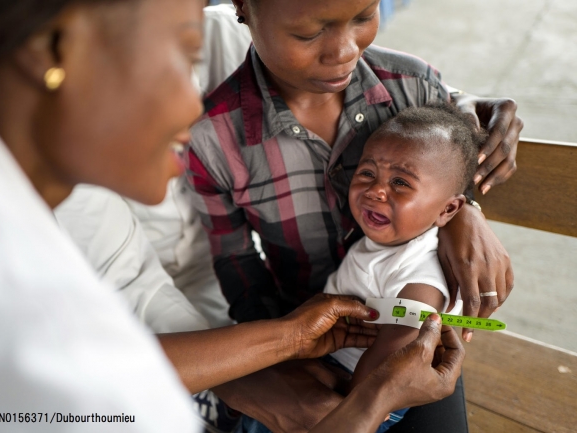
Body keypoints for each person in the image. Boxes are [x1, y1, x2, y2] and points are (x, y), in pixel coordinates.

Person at [0, 1, 465, 432]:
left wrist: (463, 208)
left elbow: (434, 121)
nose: (197, 102)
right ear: (56, 48)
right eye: (182, 56)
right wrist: (368, 403)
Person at [185, 0, 521, 431]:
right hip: (298, 334)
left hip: (410, 355)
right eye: (308, 33)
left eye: (364, 16)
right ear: (243, 8)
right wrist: (274, 356)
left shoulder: (411, 86)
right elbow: (238, 264)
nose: (345, 51)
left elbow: (449, 175)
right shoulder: (215, 137)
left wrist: (467, 209)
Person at [324, 102, 485, 432]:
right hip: (335, 363)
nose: (376, 190)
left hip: (366, 393)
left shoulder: (422, 274)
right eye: (368, 173)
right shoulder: (390, 239)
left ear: (448, 209)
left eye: (400, 182)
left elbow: (392, 356)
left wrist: (352, 408)